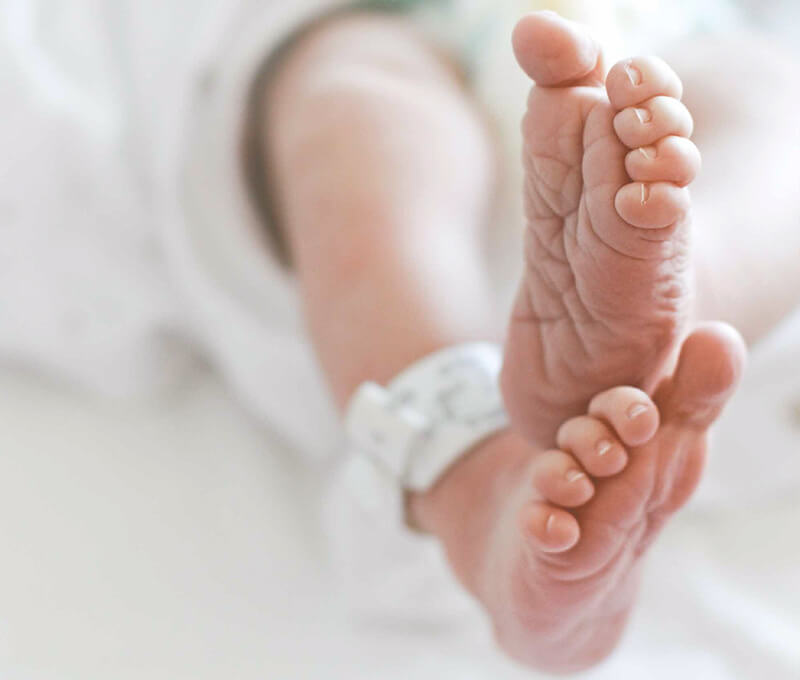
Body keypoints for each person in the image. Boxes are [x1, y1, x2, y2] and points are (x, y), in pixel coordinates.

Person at [2, 0, 799, 673]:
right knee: (354, 95)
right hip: (383, 51)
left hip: (656, 62)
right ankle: (476, 464)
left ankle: (663, 294)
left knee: (772, 108)